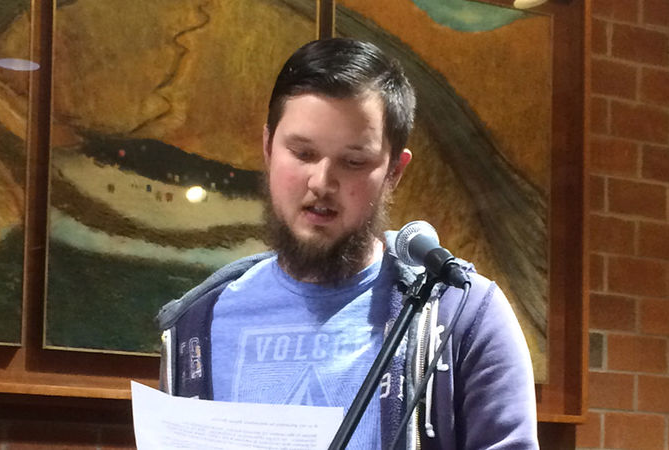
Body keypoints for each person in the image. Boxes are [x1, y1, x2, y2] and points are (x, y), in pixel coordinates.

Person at [157, 38, 538, 449]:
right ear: (268, 148)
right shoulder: (194, 325)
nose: (321, 182)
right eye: (302, 153)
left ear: (394, 171)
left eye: (353, 162)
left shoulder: (463, 316)